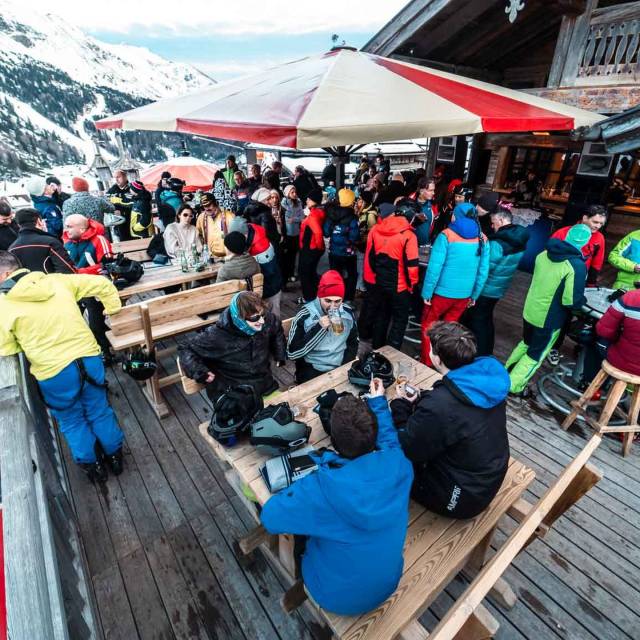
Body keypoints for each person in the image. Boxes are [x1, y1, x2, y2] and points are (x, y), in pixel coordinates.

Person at [261, 378, 413, 616]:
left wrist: (312, 478)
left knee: (303, 532)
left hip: (334, 597)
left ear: (334, 441)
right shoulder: (400, 464)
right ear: (373, 436)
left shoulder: (322, 488)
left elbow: (270, 518)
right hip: (388, 583)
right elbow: (391, 442)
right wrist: (378, 402)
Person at [0, 250, 124, 482]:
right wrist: (112, 310)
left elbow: (7, 349)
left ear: (5, 275)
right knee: (99, 409)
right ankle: (115, 456)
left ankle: (93, 465)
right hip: (88, 359)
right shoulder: (57, 281)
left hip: (54, 372)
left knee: (71, 420)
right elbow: (102, 283)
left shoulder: (3, 305)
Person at [390, 321, 510, 518]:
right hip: (486, 480)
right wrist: (424, 398)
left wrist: (400, 405)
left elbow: (408, 447)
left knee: (384, 449)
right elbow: (458, 411)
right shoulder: (487, 381)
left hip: (459, 498)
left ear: (437, 358)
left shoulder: (440, 405)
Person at [506, 224, 591, 395]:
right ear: (585, 242)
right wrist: (582, 304)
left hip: (531, 309)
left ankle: (505, 374)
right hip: (549, 317)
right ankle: (514, 386)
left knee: (526, 344)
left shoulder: (543, 254)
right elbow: (571, 301)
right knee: (536, 354)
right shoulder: (576, 265)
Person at [178, 291, 285, 402]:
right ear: (239, 317)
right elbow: (185, 348)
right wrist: (200, 372)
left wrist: (279, 353)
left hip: (265, 386)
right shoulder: (217, 335)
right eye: (254, 318)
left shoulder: (267, 320)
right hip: (235, 394)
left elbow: (276, 327)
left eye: (262, 315)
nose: (262, 321)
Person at [420, 203, 489, 365]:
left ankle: (427, 362)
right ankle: (444, 362)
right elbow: (483, 271)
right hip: (465, 294)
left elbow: (434, 268)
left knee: (429, 326)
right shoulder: (483, 238)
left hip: (441, 293)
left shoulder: (446, 235)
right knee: (450, 329)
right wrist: (474, 295)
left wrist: (427, 292)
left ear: (455, 216)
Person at [464, 207, 529, 356]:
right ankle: (486, 351)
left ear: (501, 220)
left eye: (493, 222)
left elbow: (486, 269)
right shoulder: (519, 239)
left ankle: (481, 354)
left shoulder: (498, 243)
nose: (492, 226)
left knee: (477, 321)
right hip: (499, 287)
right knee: (486, 319)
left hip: (487, 288)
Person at [362, 202, 419, 349]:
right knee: (400, 320)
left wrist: (377, 276)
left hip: (380, 282)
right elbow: (412, 267)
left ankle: (377, 348)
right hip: (400, 287)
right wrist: (412, 286)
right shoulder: (409, 235)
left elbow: (371, 258)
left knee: (382, 315)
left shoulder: (376, 229)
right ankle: (392, 353)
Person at [287, 270, 358, 383]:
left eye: (337, 301)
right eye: (328, 301)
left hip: (340, 366)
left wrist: (345, 365)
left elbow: (353, 342)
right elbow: (292, 354)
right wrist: (319, 329)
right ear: (319, 296)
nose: (333, 306)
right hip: (313, 369)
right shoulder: (305, 315)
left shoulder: (347, 312)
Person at [62, 215, 114, 359]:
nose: (66, 230)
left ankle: (105, 352)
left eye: (69, 226)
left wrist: (80, 272)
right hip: (74, 289)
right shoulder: (66, 243)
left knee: (95, 324)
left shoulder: (99, 240)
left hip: (94, 289)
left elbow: (108, 266)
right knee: (72, 324)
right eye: (66, 226)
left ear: (82, 228)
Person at [232, 205, 283, 317]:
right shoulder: (250, 229)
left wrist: (260, 295)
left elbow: (268, 273)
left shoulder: (260, 247)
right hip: (266, 286)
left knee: (273, 317)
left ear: (244, 235)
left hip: (271, 289)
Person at [583, 288, 640, 384]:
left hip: (622, 360)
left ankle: (591, 384)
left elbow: (603, 330)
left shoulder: (631, 297)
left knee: (594, 339)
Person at [552, 204, 607, 286]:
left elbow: (597, 263)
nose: (598, 226)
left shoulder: (599, 238)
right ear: (585, 218)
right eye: (595, 222)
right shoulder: (563, 232)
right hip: (556, 275)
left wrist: (590, 283)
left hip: (579, 277)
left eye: (601, 223)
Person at [9, 208, 75, 274]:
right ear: (39, 221)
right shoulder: (50, 242)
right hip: (52, 280)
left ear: (18, 225)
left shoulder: (11, 249)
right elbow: (67, 269)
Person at [323, 188, 360, 301]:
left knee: (335, 275)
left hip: (334, 251)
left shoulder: (331, 214)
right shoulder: (352, 218)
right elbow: (354, 237)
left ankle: (335, 297)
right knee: (352, 275)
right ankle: (348, 299)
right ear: (351, 202)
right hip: (349, 253)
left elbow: (326, 232)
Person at [298, 187, 326, 302]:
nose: (306, 201)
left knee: (305, 273)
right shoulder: (318, 212)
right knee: (311, 272)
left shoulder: (314, 215)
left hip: (310, 249)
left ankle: (308, 297)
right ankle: (314, 295)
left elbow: (318, 232)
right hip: (312, 248)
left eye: (308, 199)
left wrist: (318, 248)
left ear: (314, 200)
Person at [196, 193, 235, 258]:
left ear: (216, 203)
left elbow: (236, 238)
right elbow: (198, 235)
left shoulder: (230, 216)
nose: (207, 208)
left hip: (228, 256)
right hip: (210, 257)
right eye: (204, 206)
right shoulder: (201, 217)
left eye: (209, 205)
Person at [282, 184, 304, 283]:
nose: (295, 194)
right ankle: (287, 275)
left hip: (296, 232)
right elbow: (285, 218)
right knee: (287, 256)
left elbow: (302, 217)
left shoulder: (298, 202)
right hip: (287, 233)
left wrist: (294, 219)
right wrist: (295, 218)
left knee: (294, 254)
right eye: (292, 192)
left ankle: (292, 273)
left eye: (295, 192)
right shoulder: (283, 203)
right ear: (287, 193)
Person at [107, 170, 134, 241]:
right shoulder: (112, 190)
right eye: (115, 177)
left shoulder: (132, 188)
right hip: (119, 222)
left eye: (118, 177)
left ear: (125, 177)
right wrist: (114, 210)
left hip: (132, 219)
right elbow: (106, 203)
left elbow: (136, 202)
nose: (116, 179)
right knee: (123, 241)